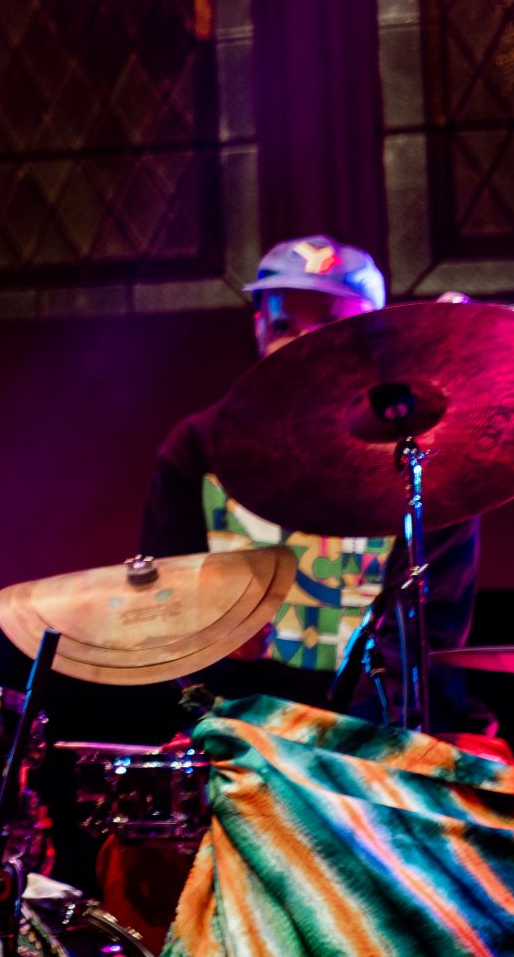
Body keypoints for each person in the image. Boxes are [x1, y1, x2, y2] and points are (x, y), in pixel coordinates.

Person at [139, 234, 485, 729]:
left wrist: (346, 747)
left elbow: (429, 634)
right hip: (241, 731)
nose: (302, 347)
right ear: (259, 329)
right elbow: (165, 607)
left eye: (330, 326)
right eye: (284, 326)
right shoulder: (197, 449)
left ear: (375, 338)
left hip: (381, 735)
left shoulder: (424, 456)